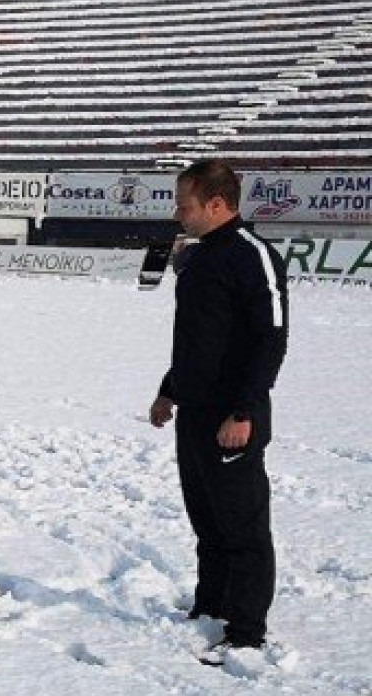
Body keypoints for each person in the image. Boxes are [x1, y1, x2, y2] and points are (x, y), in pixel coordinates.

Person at [149, 160, 289, 667]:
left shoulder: (254, 256)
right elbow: (196, 339)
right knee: (206, 519)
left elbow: (270, 340)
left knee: (243, 526)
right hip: (195, 412)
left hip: (234, 417)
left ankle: (247, 631)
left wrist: (245, 411)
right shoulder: (200, 257)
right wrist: (169, 391)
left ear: (215, 203)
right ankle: (210, 607)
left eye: (184, 205)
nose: (177, 214)